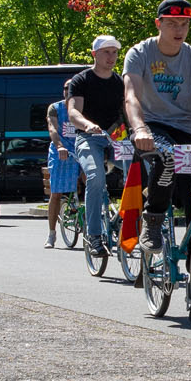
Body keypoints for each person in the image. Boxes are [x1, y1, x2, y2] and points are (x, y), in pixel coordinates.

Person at [122, 0, 191, 253]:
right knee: (167, 158)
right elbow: (131, 97)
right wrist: (139, 129)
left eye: (184, 24)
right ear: (158, 24)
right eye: (172, 24)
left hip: (187, 128)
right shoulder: (140, 53)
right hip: (152, 126)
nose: (179, 30)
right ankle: (152, 220)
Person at [68, 35, 127, 254]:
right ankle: (93, 235)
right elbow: (73, 112)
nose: (111, 57)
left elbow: (128, 111)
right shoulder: (81, 80)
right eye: (106, 52)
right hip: (88, 137)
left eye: (114, 52)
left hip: (115, 138)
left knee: (145, 170)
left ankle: (125, 218)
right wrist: (87, 125)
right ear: (94, 54)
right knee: (95, 176)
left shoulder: (120, 82)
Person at [44, 86, 80, 248]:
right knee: (56, 192)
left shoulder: (81, 107)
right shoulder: (55, 108)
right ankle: (52, 234)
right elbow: (52, 128)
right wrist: (59, 146)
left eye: (72, 88)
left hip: (79, 150)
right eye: (66, 88)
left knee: (93, 181)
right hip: (61, 152)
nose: (68, 90)